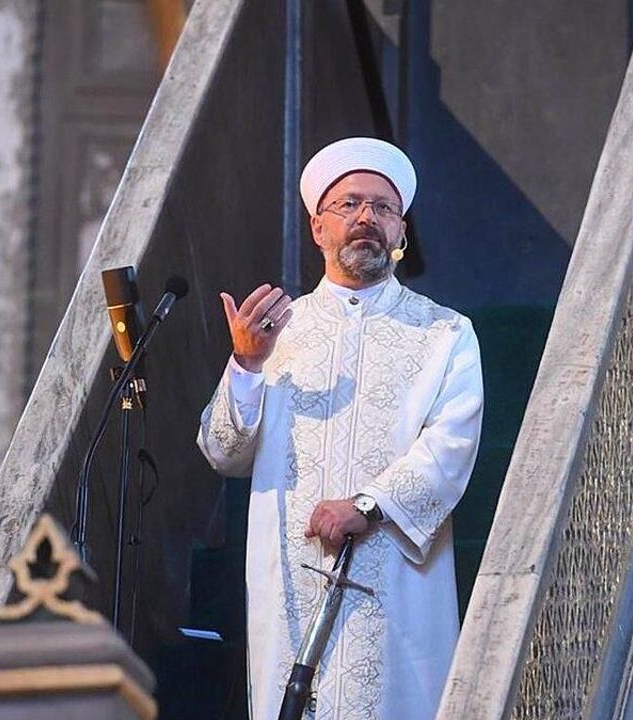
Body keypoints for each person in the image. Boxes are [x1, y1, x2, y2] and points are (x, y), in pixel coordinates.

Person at [197, 137, 484, 718]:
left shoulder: (445, 333)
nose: (366, 218)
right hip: (293, 572)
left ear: (400, 231)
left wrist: (368, 506)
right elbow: (223, 452)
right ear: (318, 228)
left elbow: (449, 446)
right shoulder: (278, 332)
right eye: (349, 204)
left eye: (383, 207)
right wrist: (247, 363)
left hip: (396, 573)